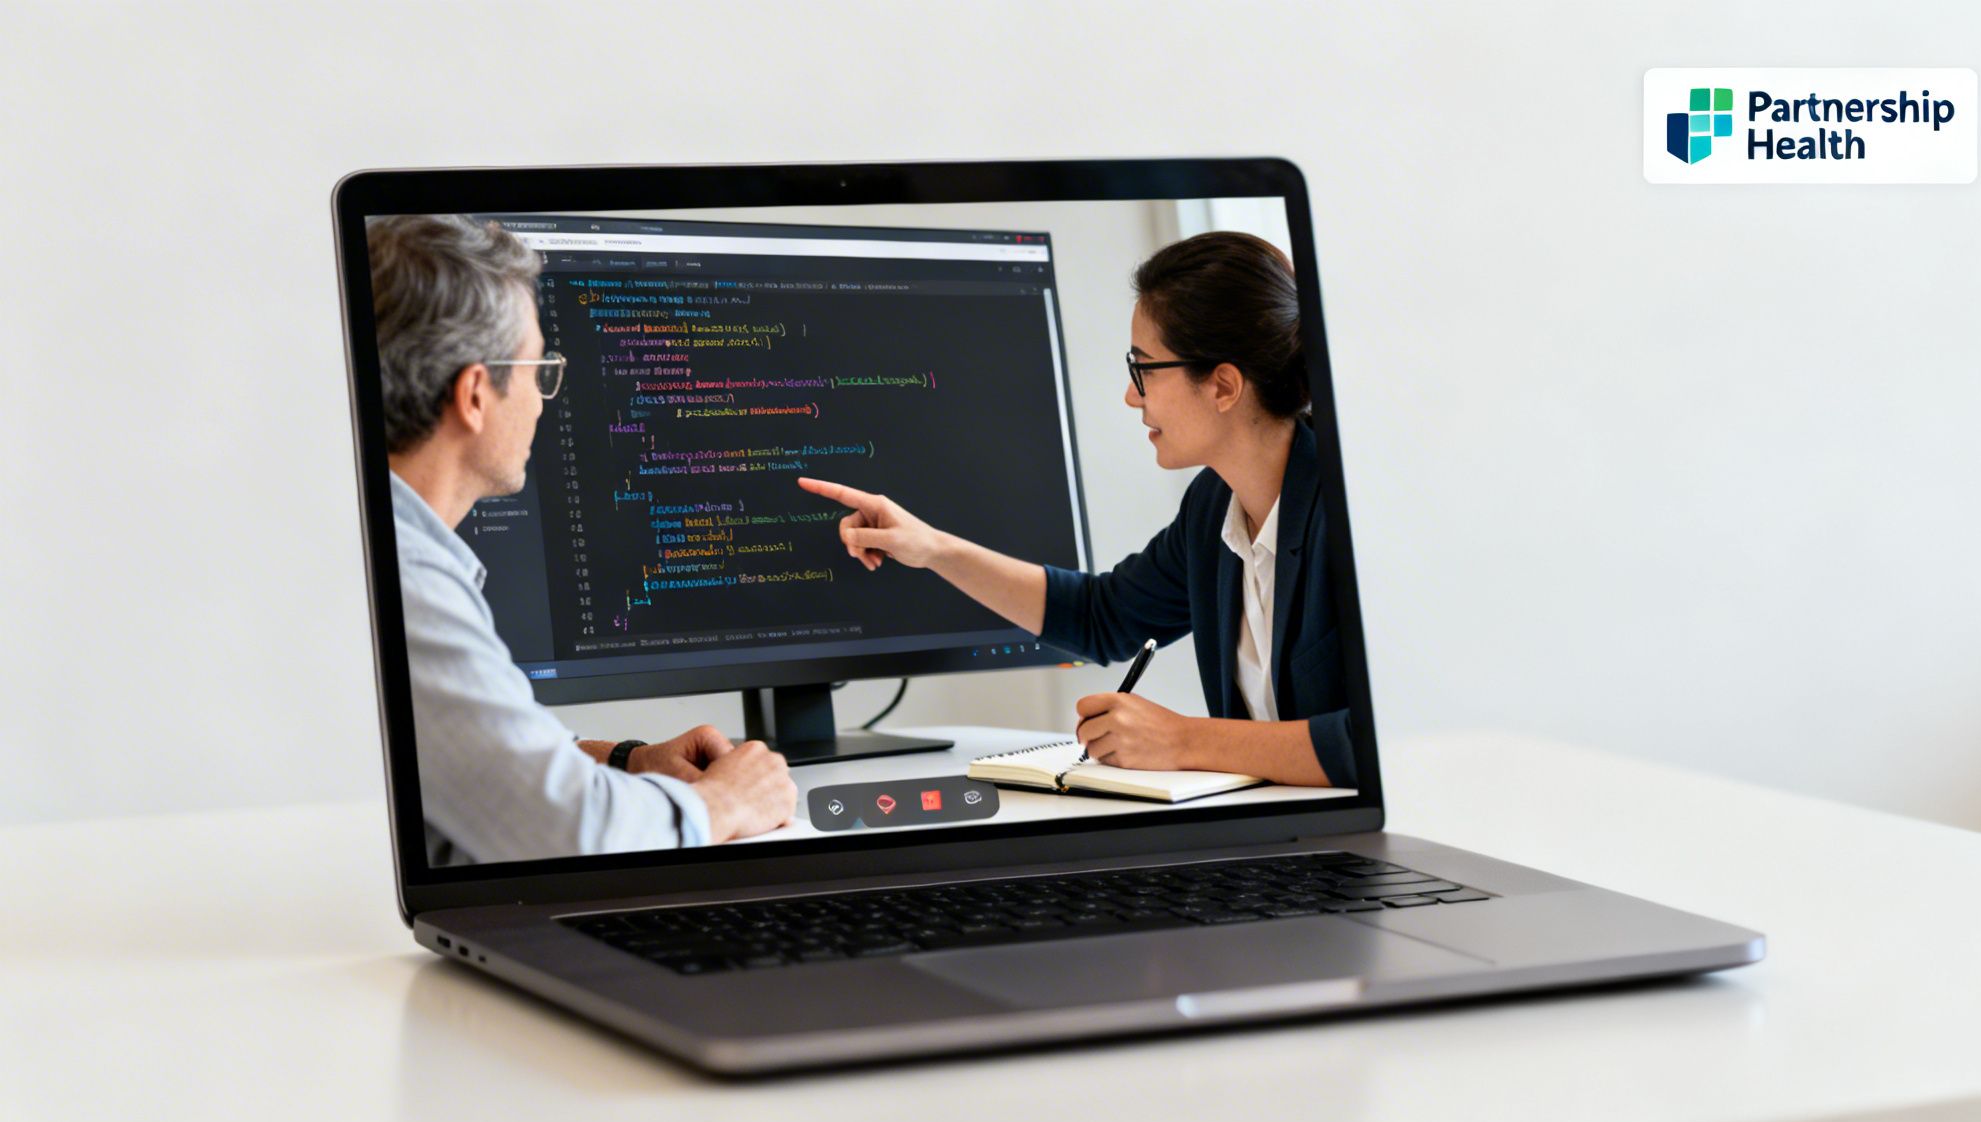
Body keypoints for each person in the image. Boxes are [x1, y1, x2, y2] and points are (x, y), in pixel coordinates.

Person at [798, 231, 1353, 787]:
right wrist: (934, 549)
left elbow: (1364, 740)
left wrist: (1184, 740)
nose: (1132, 396)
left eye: (1144, 369)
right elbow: (1100, 618)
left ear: (1223, 386)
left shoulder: (1344, 508)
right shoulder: (1213, 509)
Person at [372, 214, 797, 865]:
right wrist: (727, 803)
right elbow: (571, 831)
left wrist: (626, 761)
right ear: (476, 395)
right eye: (540, 370)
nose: (544, 401)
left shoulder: (402, 553)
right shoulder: (408, 583)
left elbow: (474, 754)